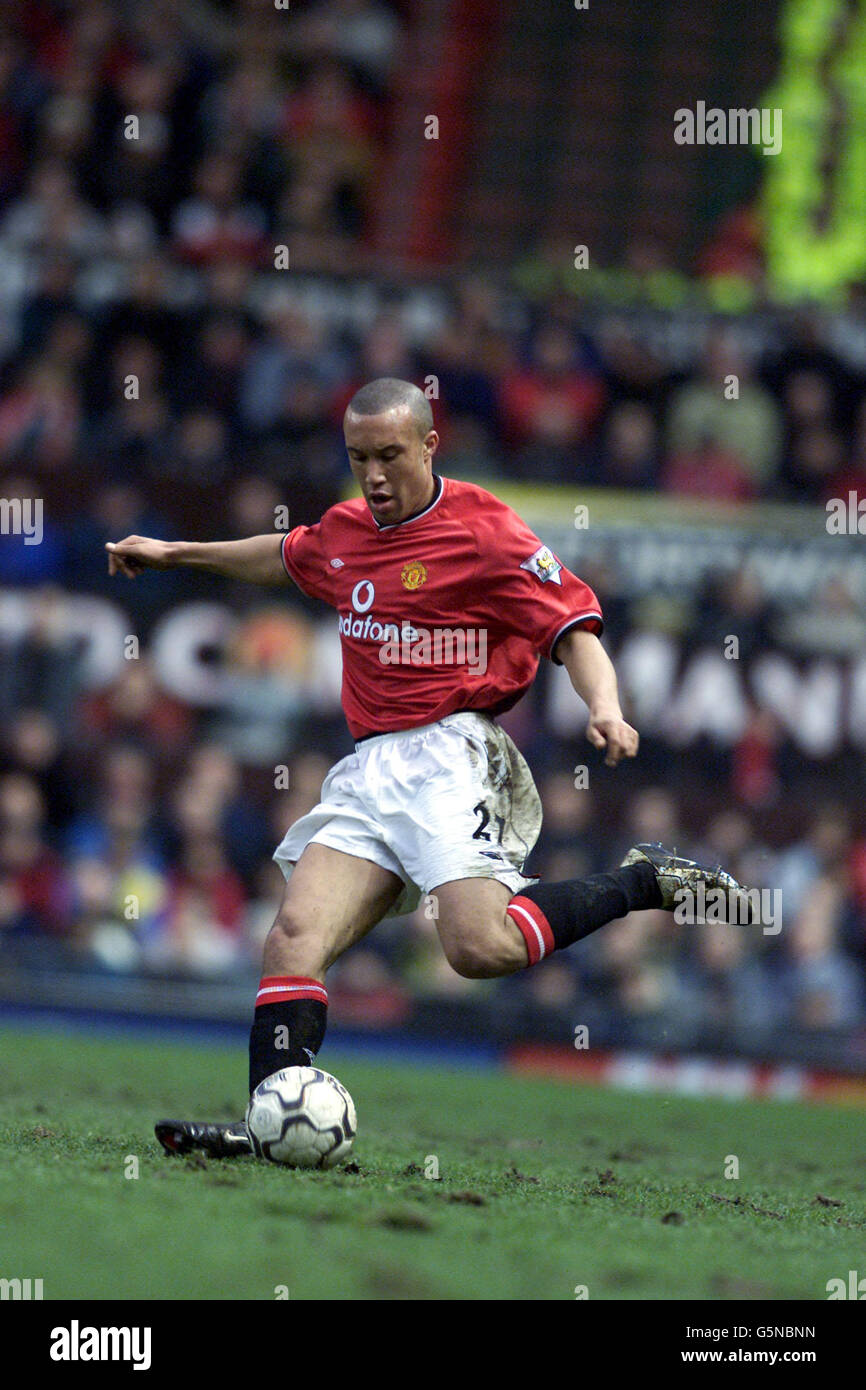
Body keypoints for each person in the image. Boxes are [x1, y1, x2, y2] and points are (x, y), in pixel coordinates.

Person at [106, 377, 748, 1157]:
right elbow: (282, 557)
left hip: (454, 753)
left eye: (388, 455)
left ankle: (642, 882)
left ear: (428, 445)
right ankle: (268, 1119)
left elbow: (575, 627)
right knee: (293, 937)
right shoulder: (345, 531)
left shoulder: (485, 530)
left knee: (479, 950)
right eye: (357, 458)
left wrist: (605, 707)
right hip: (370, 766)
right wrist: (175, 553)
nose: (373, 475)